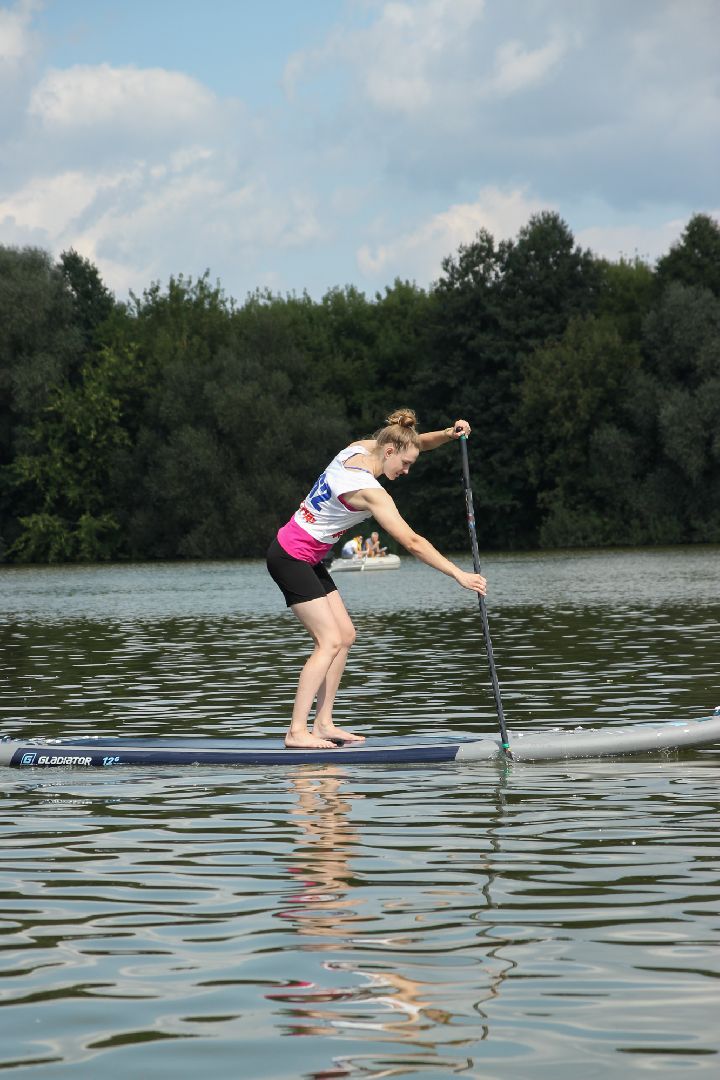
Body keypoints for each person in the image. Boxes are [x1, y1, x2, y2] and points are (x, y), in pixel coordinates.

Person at [266, 408, 487, 750]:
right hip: (290, 557)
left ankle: (323, 724)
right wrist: (458, 574)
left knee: (345, 635)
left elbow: (415, 442)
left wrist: (447, 435)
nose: (407, 470)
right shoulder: (371, 492)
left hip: (308, 557)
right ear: (389, 452)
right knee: (329, 641)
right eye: (405, 464)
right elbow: (412, 542)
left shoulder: (359, 448)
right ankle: (296, 731)